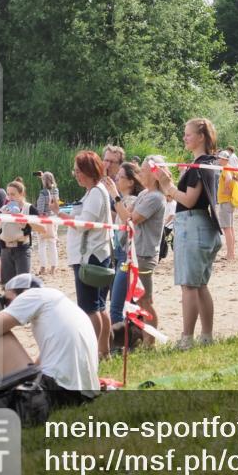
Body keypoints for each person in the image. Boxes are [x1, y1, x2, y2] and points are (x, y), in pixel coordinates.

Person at [0, 274, 99, 406]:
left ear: (23, 293)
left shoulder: (32, 295)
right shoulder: (56, 301)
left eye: (8, 301)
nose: (7, 307)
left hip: (54, 393)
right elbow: (41, 363)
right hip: (82, 394)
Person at [154, 118, 223, 349]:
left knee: (189, 285)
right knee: (200, 285)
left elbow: (189, 200)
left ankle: (187, 339)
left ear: (201, 137)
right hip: (203, 226)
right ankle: (206, 336)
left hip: (193, 225)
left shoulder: (199, 165)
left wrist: (168, 186)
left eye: (188, 134)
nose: (184, 137)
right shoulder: (207, 163)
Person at [51, 151, 113, 356]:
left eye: (78, 171)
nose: (76, 175)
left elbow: (84, 224)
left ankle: (92, 352)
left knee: (89, 308)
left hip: (90, 257)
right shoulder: (94, 191)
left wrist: (62, 217)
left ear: (89, 171)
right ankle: (103, 351)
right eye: (75, 171)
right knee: (99, 306)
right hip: (95, 255)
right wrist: (59, 213)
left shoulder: (95, 192)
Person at [113, 155, 167, 346]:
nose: (140, 173)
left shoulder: (155, 197)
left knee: (145, 300)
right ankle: (142, 338)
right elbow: (127, 215)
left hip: (144, 254)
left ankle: (149, 342)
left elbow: (130, 219)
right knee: (138, 299)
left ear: (154, 173)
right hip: (134, 252)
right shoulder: (145, 194)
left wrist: (115, 197)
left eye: (143, 170)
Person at [105, 161, 143, 327]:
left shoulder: (134, 200)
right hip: (120, 253)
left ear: (131, 182)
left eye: (120, 177)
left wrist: (114, 194)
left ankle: (121, 339)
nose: (116, 179)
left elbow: (127, 218)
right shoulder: (122, 200)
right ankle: (133, 336)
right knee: (124, 303)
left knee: (116, 307)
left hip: (128, 255)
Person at [0, 180, 46, 288]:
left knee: (23, 285)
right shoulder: (4, 208)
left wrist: (25, 220)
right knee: (7, 286)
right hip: (5, 250)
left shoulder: (29, 208)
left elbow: (43, 229)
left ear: (21, 194)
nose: (9, 197)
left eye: (13, 194)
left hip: (22, 250)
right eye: (8, 194)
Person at [34, 171, 60, 276]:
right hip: (54, 218)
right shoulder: (56, 190)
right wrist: (43, 176)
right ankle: (53, 267)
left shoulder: (43, 193)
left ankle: (43, 267)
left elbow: (40, 209)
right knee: (52, 243)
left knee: (42, 244)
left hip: (44, 219)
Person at [215, 150, 238, 262]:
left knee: (227, 228)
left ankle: (230, 254)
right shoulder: (231, 168)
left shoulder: (226, 168)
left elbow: (228, 178)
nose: (218, 160)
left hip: (225, 201)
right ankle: (231, 253)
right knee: (230, 228)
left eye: (219, 158)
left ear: (224, 159)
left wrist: (227, 189)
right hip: (229, 201)